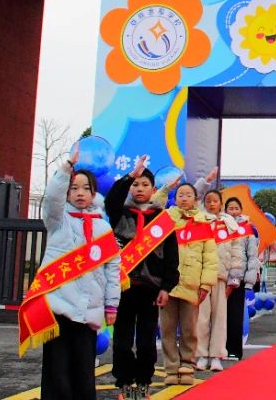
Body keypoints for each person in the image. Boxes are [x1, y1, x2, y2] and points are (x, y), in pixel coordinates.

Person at [26, 153, 121, 400]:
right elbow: (51, 199)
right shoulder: (58, 220)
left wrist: (112, 304)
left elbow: (113, 268)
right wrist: (66, 169)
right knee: (57, 372)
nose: (80, 193)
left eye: (86, 188)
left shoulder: (103, 227)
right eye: (74, 188)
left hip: (89, 311)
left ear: (94, 193)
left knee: (84, 373)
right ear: (67, 192)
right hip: (58, 307)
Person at [105, 156, 179, 400]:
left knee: (147, 341)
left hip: (150, 289)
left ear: (153, 189)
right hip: (123, 287)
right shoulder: (120, 213)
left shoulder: (162, 220)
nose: (139, 189)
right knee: (122, 341)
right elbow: (111, 199)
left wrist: (166, 287)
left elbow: (171, 258)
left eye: (145, 185)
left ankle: (144, 383)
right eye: (136, 185)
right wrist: (131, 175)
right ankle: (125, 384)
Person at [160, 182, 218, 387]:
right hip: (167, 286)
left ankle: (187, 365)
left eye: (188, 195)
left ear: (195, 199)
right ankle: (171, 368)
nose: (184, 198)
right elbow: (153, 205)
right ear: (175, 199)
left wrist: (206, 284)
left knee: (189, 330)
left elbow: (210, 258)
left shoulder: (203, 223)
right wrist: (165, 189)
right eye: (180, 195)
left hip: (192, 286)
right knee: (167, 330)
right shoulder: (166, 219)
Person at [196, 189, 245, 372]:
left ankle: (217, 355)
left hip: (221, 277)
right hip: (202, 278)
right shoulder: (199, 222)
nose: (211, 204)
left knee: (220, 318)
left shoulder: (230, 223)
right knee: (201, 318)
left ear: (221, 203)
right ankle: (202, 355)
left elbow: (237, 253)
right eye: (208, 201)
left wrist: (234, 279)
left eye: (215, 201)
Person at [223, 196, 260, 361]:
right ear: (225, 210)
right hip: (221, 277)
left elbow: (252, 256)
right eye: (230, 208)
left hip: (238, 278)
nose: (233, 211)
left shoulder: (247, 228)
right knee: (220, 316)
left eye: (236, 208)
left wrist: (249, 281)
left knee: (235, 315)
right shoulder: (220, 226)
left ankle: (234, 350)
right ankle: (220, 349)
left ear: (241, 210)